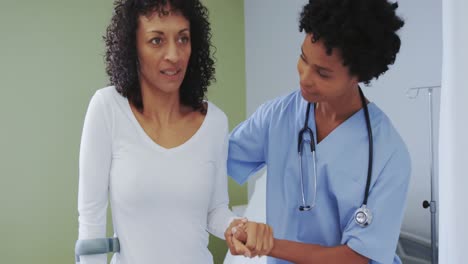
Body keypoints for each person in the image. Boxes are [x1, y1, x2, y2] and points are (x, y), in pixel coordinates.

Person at [76, 0, 271, 263]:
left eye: (183, 39)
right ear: (132, 46)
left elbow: (214, 211)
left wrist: (237, 225)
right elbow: (91, 221)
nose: (174, 55)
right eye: (157, 40)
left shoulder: (214, 121)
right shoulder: (107, 108)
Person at [227, 0, 411, 263]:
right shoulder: (278, 116)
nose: (304, 77)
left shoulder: (388, 154)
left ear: (358, 75)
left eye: (323, 73)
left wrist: (269, 244)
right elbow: (213, 158)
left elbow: (356, 257)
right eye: (303, 58)